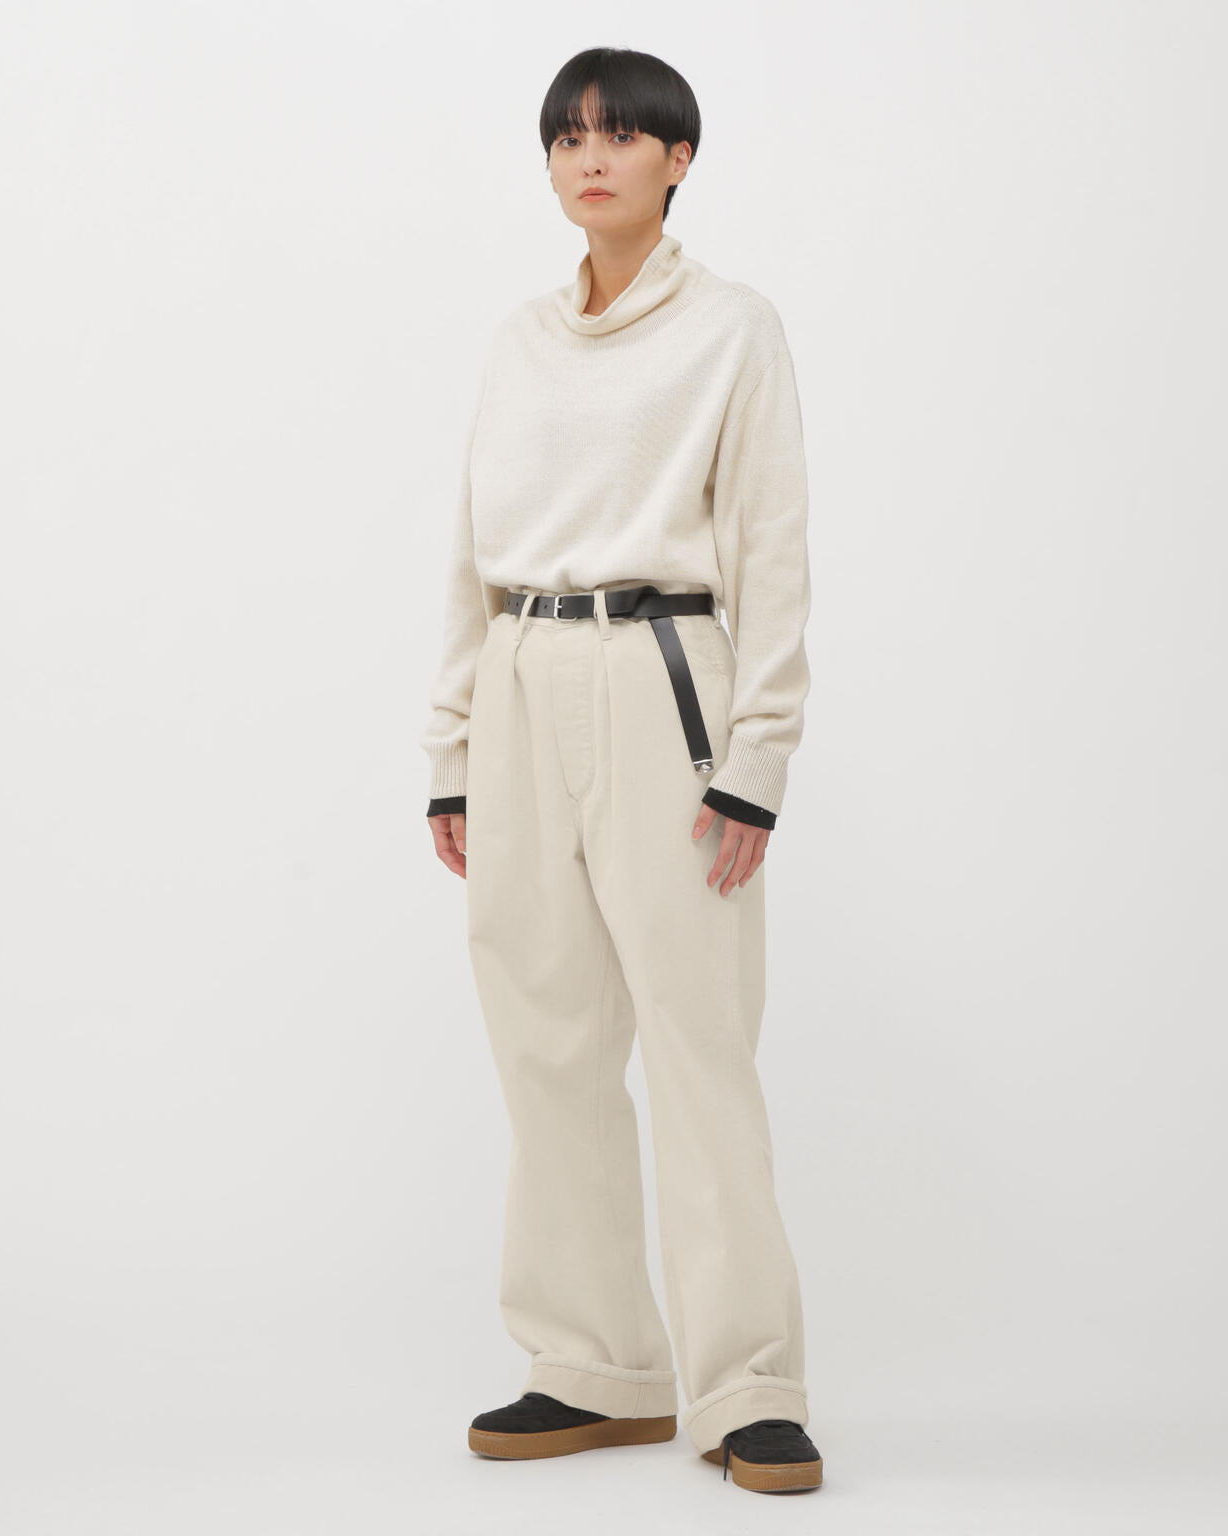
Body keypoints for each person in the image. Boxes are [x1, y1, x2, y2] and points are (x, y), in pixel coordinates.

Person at [421, 46, 820, 1495]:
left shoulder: (733, 330)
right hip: (523, 681)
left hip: (665, 679)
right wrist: (454, 748)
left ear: (677, 158)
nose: (591, 157)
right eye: (567, 138)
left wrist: (756, 761)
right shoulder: (520, 341)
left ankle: (748, 1385)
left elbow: (771, 546)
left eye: (622, 134)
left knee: (699, 1041)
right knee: (547, 1041)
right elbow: (471, 550)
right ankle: (592, 1365)